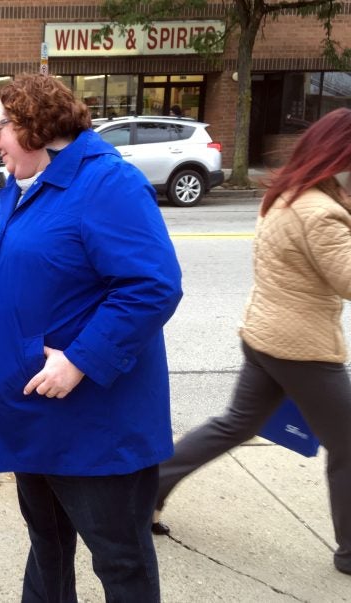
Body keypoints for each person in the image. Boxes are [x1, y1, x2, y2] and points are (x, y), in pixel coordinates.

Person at [0, 73, 183, 602]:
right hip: (33, 412)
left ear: (34, 124)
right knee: (48, 547)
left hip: (94, 423)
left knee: (120, 560)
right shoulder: (22, 186)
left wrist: (79, 361)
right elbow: (0, 265)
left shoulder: (107, 183)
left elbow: (151, 287)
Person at [152, 108, 351, 577]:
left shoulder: (287, 197)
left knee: (234, 424)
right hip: (301, 350)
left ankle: (153, 485)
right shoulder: (321, 212)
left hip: (264, 336)